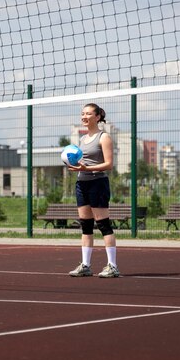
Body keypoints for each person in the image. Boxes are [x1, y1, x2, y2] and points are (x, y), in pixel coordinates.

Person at [66, 103, 119, 278]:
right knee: (86, 226)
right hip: (82, 183)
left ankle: (112, 266)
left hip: (98, 183)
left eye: (88, 114)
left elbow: (109, 164)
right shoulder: (82, 139)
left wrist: (87, 169)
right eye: (82, 113)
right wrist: (73, 165)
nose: (84, 116)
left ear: (97, 117)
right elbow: (83, 162)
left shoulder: (104, 137)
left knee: (103, 225)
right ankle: (85, 265)